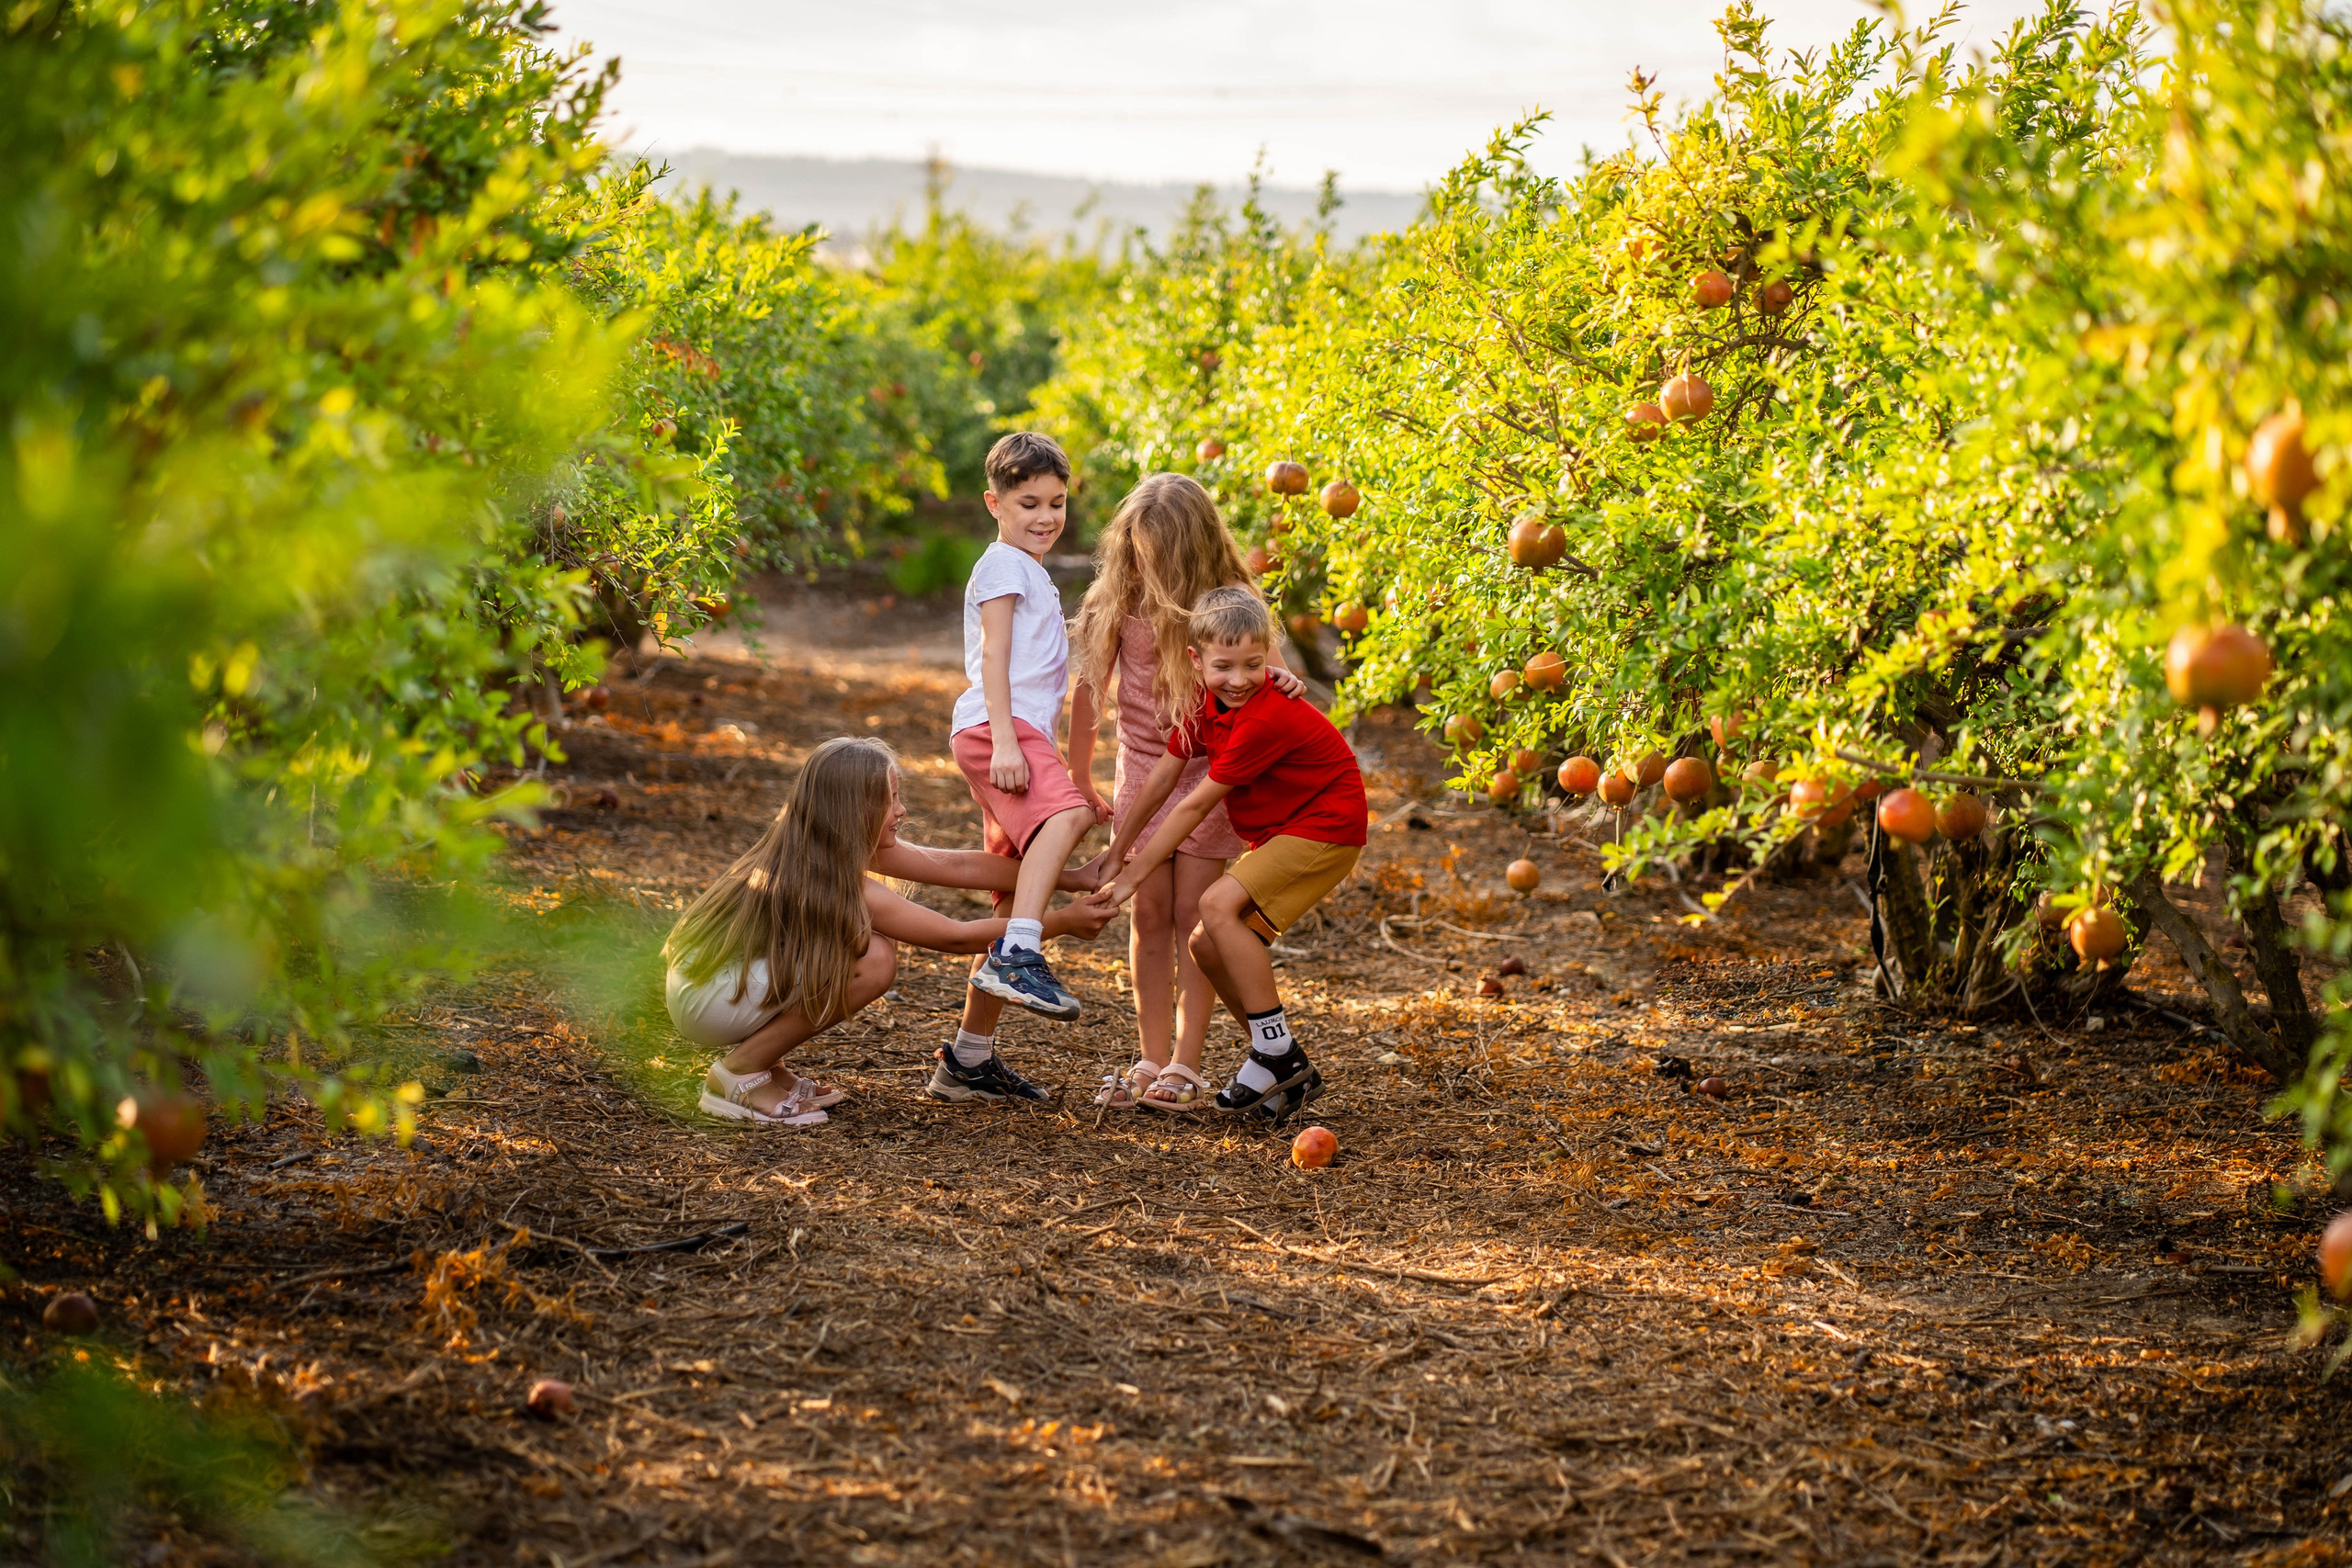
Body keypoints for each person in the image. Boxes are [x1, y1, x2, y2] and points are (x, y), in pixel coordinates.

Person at [664, 737, 1112, 1125]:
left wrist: (1072, 876)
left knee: (854, 947)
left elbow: (960, 865)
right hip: (709, 1000)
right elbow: (954, 936)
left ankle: (765, 1061)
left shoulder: (815, 843)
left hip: (707, 986)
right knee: (875, 959)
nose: (902, 810)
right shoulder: (833, 877)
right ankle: (740, 1072)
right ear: (853, 809)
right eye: (890, 799)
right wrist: (1061, 922)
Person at [1067, 473, 1304, 1112]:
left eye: (1161, 553)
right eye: (1139, 550)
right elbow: (1089, 690)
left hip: (1210, 771)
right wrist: (1082, 774)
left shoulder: (1226, 602)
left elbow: (1269, 670)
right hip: (1144, 766)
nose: (1148, 564)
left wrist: (1278, 680)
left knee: (1192, 916)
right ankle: (1149, 1055)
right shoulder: (1118, 599)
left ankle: (1185, 1061)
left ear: (1193, 547)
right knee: (1146, 913)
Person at [1090, 587, 1367, 1125]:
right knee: (1205, 945)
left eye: (1253, 665)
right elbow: (1163, 776)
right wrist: (1118, 852)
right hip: (1289, 833)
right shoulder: (1203, 704)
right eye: (1224, 666)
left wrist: (1130, 879)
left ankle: (1274, 1051)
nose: (1238, 679)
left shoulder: (1263, 717)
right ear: (1197, 661)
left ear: (1268, 656)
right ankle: (1285, 1067)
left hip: (1326, 828)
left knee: (1214, 908)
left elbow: (1192, 807)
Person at [937, 430, 1102, 1103]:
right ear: (994, 502)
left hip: (1017, 732)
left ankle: (968, 1059)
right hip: (999, 729)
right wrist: (1006, 741)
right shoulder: (1004, 564)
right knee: (1069, 813)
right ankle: (1020, 954)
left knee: (1012, 889)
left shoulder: (1027, 569)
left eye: (1057, 503)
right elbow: (996, 658)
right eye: (1029, 501)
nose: (1046, 516)